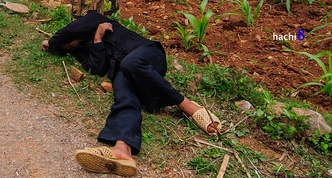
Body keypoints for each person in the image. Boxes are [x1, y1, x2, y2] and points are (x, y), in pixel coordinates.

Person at [41, 11, 221, 176]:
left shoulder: (93, 19)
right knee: (124, 96)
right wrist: (97, 40)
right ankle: (122, 148)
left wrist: (51, 42)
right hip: (122, 69)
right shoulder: (81, 50)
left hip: (147, 54)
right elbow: (96, 68)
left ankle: (185, 104)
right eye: (64, 46)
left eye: (65, 40)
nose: (67, 44)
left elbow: (70, 29)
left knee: (130, 63)